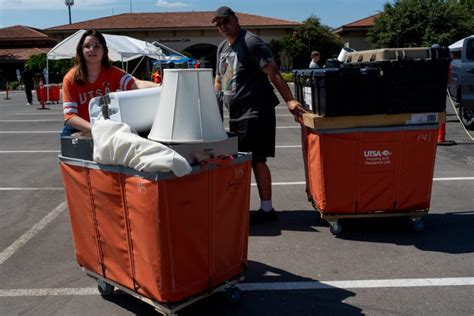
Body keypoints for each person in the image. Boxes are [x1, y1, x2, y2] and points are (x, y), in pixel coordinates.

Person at [212, 6, 304, 224]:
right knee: (243, 161)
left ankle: (266, 209)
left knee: (255, 160)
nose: (223, 26)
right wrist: (214, 103)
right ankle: (251, 207)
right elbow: (218, 79)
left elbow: (273, 72)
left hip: (256, 111)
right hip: (236, 114)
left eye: (226, 21)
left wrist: (289, 100)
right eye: (218, 24)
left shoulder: (251, 42)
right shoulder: (222, 47)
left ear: (236, 20)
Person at [61, 29, 157, 137]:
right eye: (87, 46)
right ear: (81, 51)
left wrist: (163, 86)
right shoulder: (70, 79)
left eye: (97, 46)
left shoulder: (112, 73)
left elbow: (136, 84)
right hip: (77, 129)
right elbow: (70, 116)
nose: (92, 49)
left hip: (105, 128)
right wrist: (96, 129)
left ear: (104, 50)